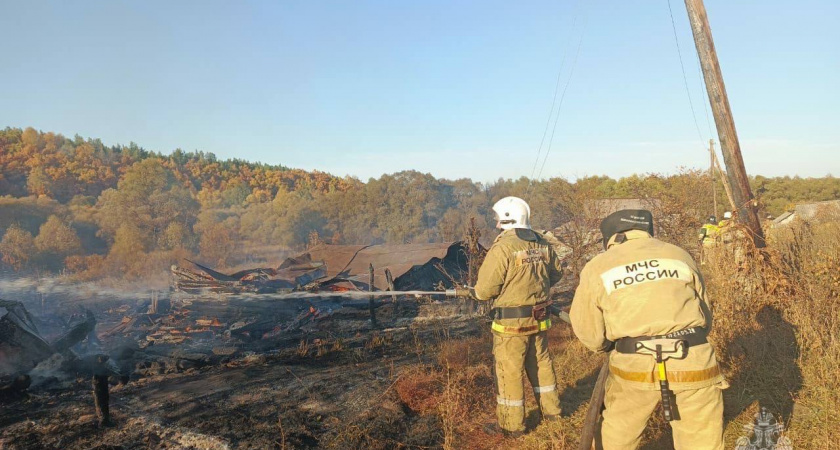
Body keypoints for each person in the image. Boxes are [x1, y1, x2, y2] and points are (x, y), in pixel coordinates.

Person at [569, 209, 726, 450]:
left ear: (610, 238)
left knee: (617, 437)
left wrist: (606, 346)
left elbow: (588, 331)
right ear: (647, 231)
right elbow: (705, 313)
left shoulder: (598, 265)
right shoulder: (679, 254)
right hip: (694, 359)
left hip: (634, 364)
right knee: (701, 440)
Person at [473, 196, 564, 437]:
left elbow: (484, 291)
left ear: (505, 218)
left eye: (497, 218)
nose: (495, 223)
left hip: (511, 327)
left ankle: (512, 426)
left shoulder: (503, 247)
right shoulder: (542, 243)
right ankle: (553, 413)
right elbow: (556, 274)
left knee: (509, 372)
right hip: (539, 319)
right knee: (541, 365)